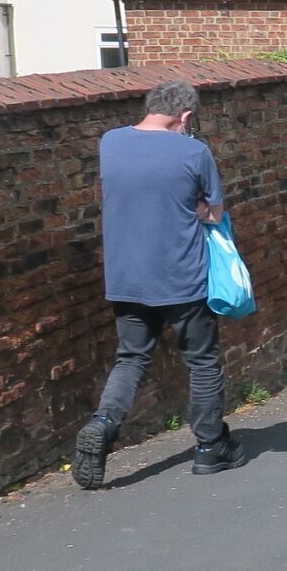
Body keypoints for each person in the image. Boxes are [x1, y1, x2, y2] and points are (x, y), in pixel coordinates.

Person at [71, 79, 246, 488]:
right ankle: (209, 449)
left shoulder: (110, 143)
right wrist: (198, 209)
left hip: (126, 277)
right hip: (182, 277)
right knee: (201, 362)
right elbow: (215, 213)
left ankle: (103, 423)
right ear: (184, 117)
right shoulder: (193, 151)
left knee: (131, 359)